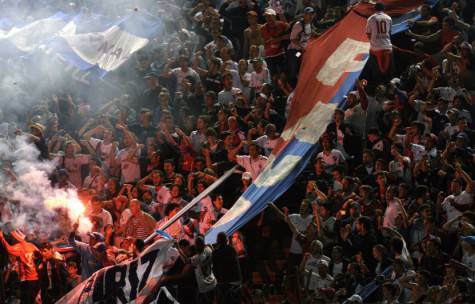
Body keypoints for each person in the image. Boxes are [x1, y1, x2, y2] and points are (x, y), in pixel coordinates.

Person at [0, 230, 40, 304]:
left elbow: (9, 249)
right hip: (35, 278)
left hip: (27, 279)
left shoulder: (20, 246)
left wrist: (2, 238)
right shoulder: (31, 245)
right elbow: (39, 254)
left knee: (26, 301)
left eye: (14, 237)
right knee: (32, 300)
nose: (13, 239)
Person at [365, 2, 393, 85]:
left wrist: (374, 41)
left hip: (376, 49)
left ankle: (378, 85)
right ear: (384, 9)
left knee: (376, 70)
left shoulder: (371, 19)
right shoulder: (388, 18)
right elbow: (389, 32)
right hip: (387, 47)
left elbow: (368, 34)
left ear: (375, 9)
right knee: (388, 70)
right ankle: (390, 84)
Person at [212, 232, 242, 304]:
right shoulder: (231, 249)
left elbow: (215, 269)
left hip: (223, 281)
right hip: (235, 280)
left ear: (217, 241)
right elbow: (236, 265)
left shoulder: (215, 252)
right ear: (226, 240)